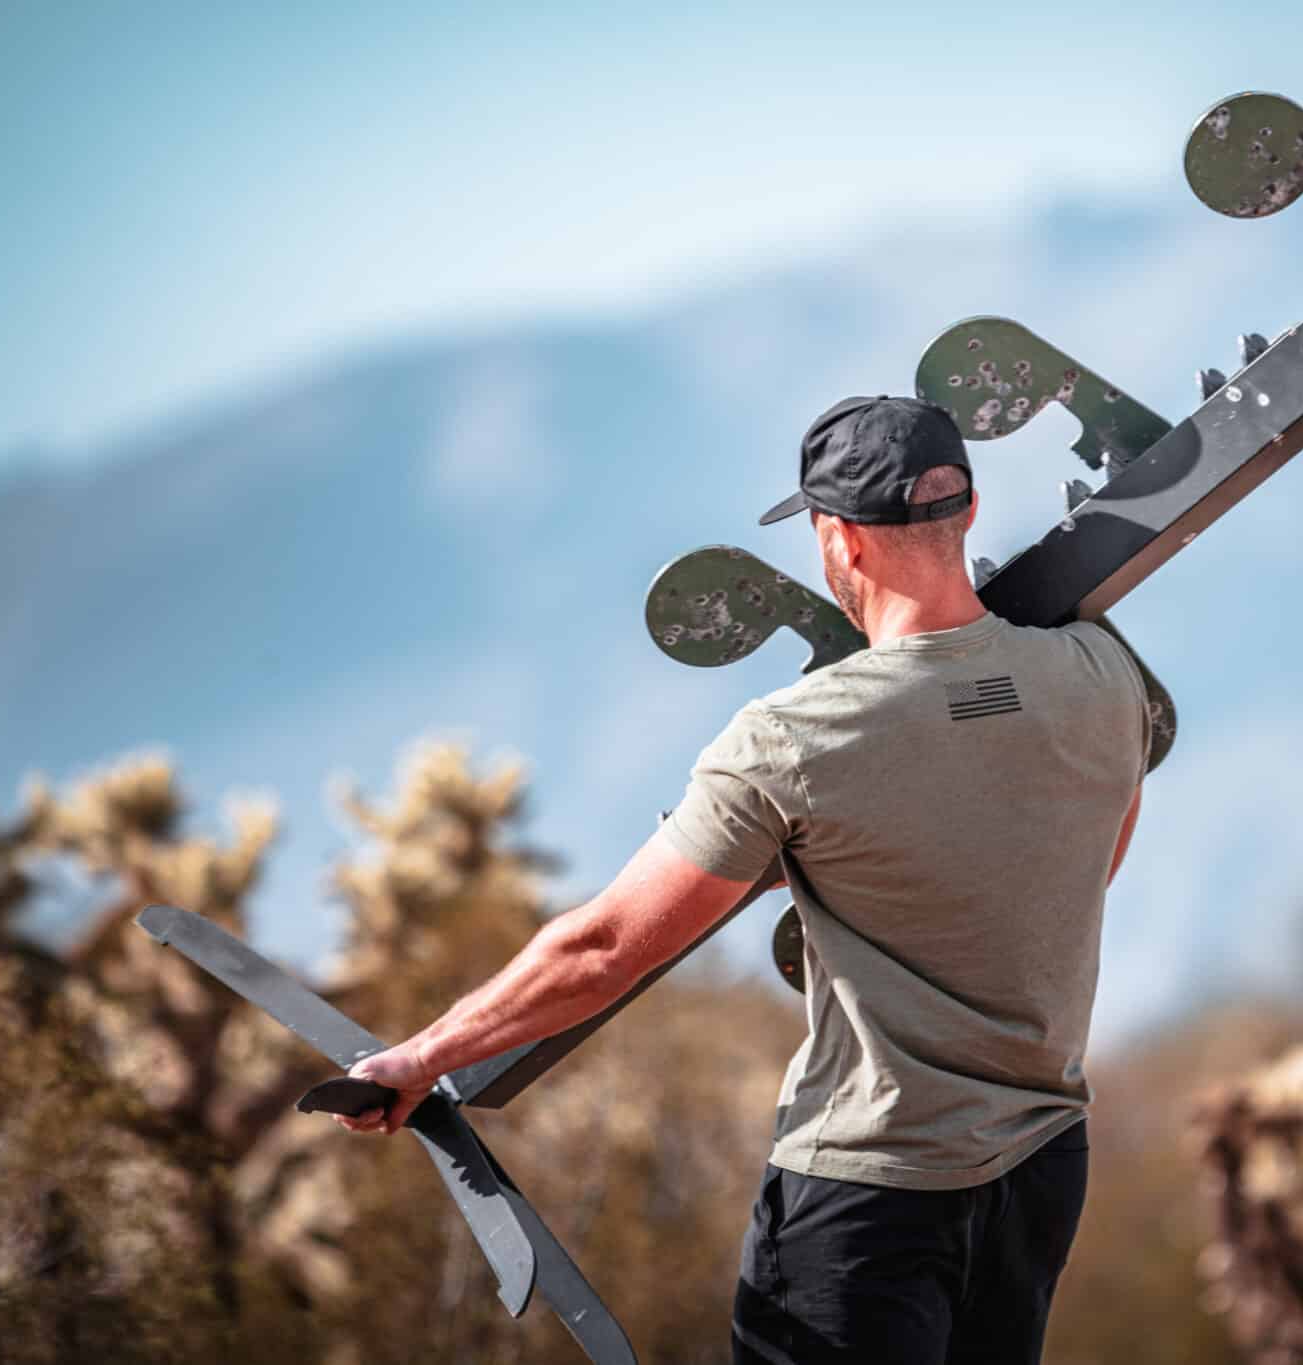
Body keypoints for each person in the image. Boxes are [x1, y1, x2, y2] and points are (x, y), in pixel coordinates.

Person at [335, 395, 1160, 1365]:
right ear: (967, 511)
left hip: (872, 1190)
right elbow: (1100, 844)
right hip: (1041, 1165)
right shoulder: (1102, 678)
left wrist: (422, 1055)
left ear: (840, 541)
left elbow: (604, 948)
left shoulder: (794, 739)